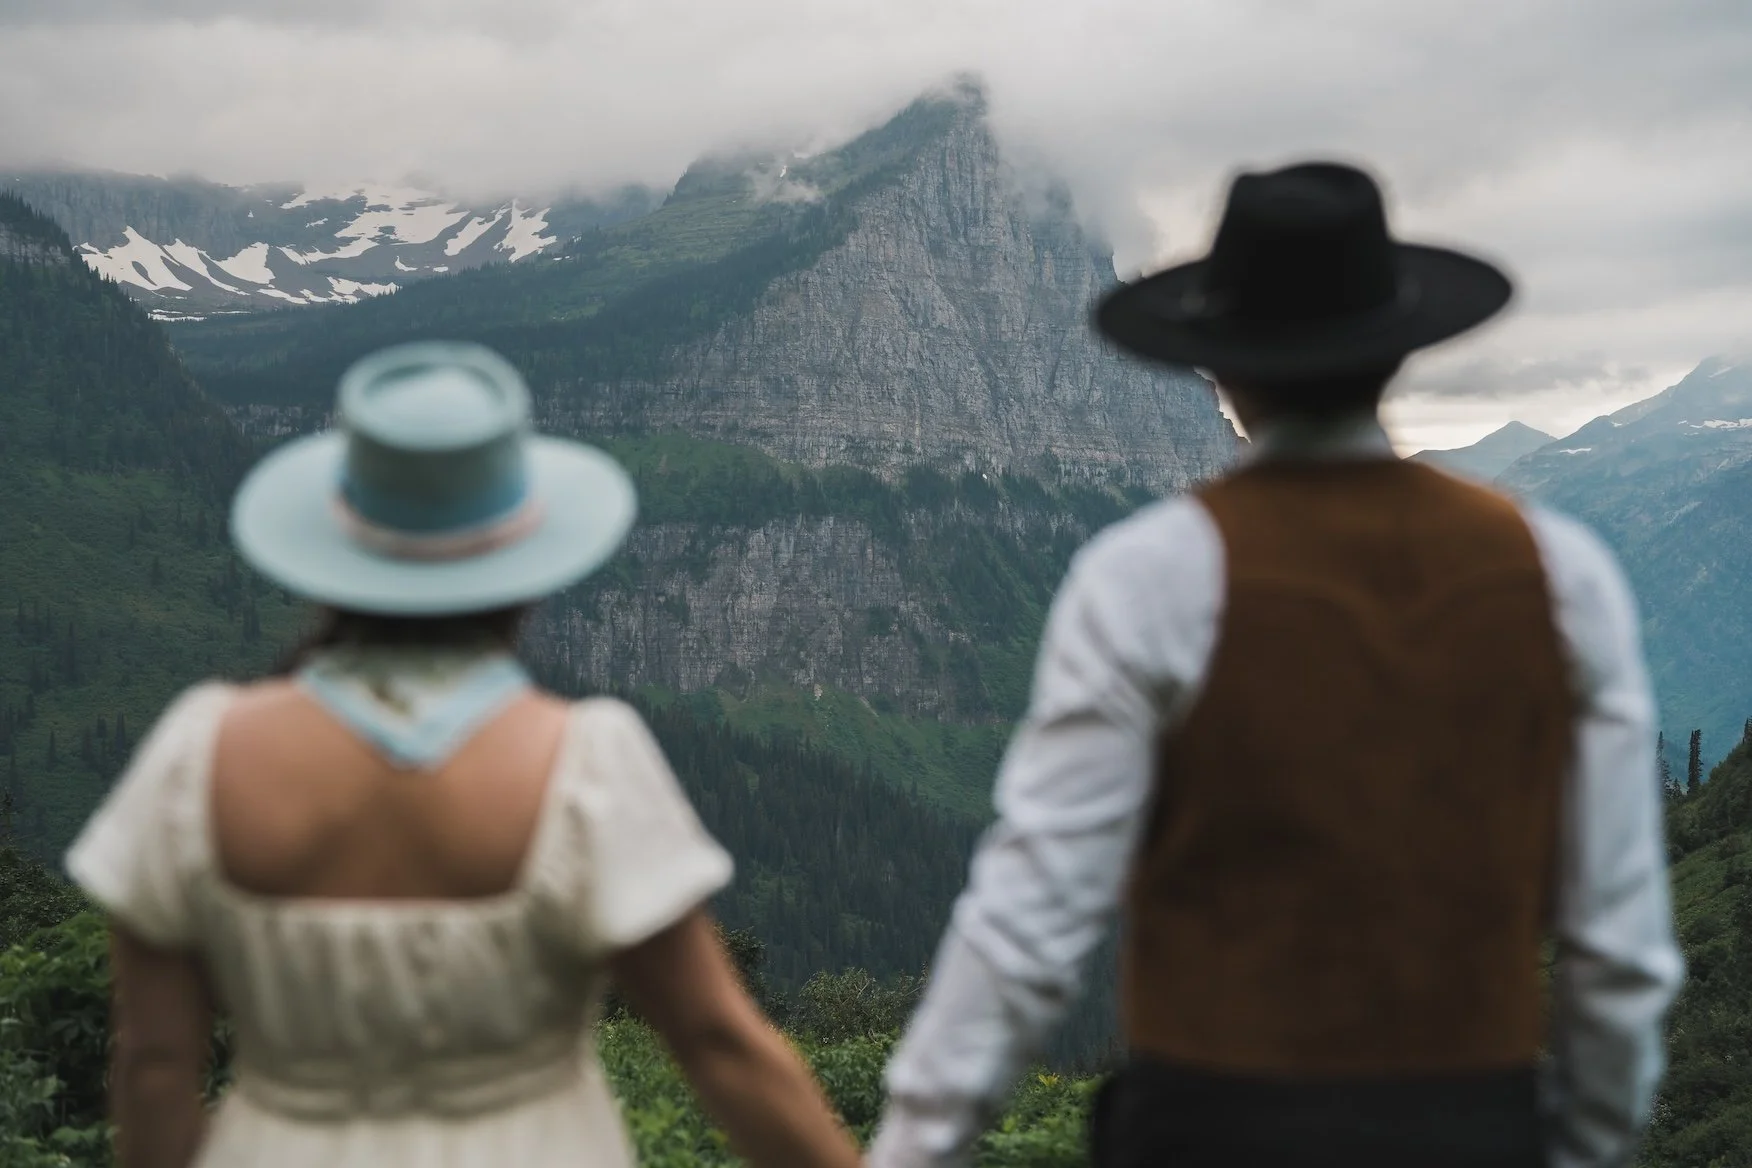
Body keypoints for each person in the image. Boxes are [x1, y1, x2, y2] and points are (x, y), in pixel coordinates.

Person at [866, 162, 1685, 1168]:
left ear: (1223, 368)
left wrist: (913, 1145)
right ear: (1397, 352)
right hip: (1473, 1126)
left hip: (1209, 1130)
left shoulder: (1147, 575)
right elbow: (1618, 942)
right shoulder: (1561, 573)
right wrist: (1582, 1139)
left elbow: (1029, 917)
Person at [64, 342, 863, 1168]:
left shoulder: (200, 751)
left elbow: (154, 1065)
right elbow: (718, 1045)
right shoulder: (584, 760)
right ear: (523, 569)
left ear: (334, 556)